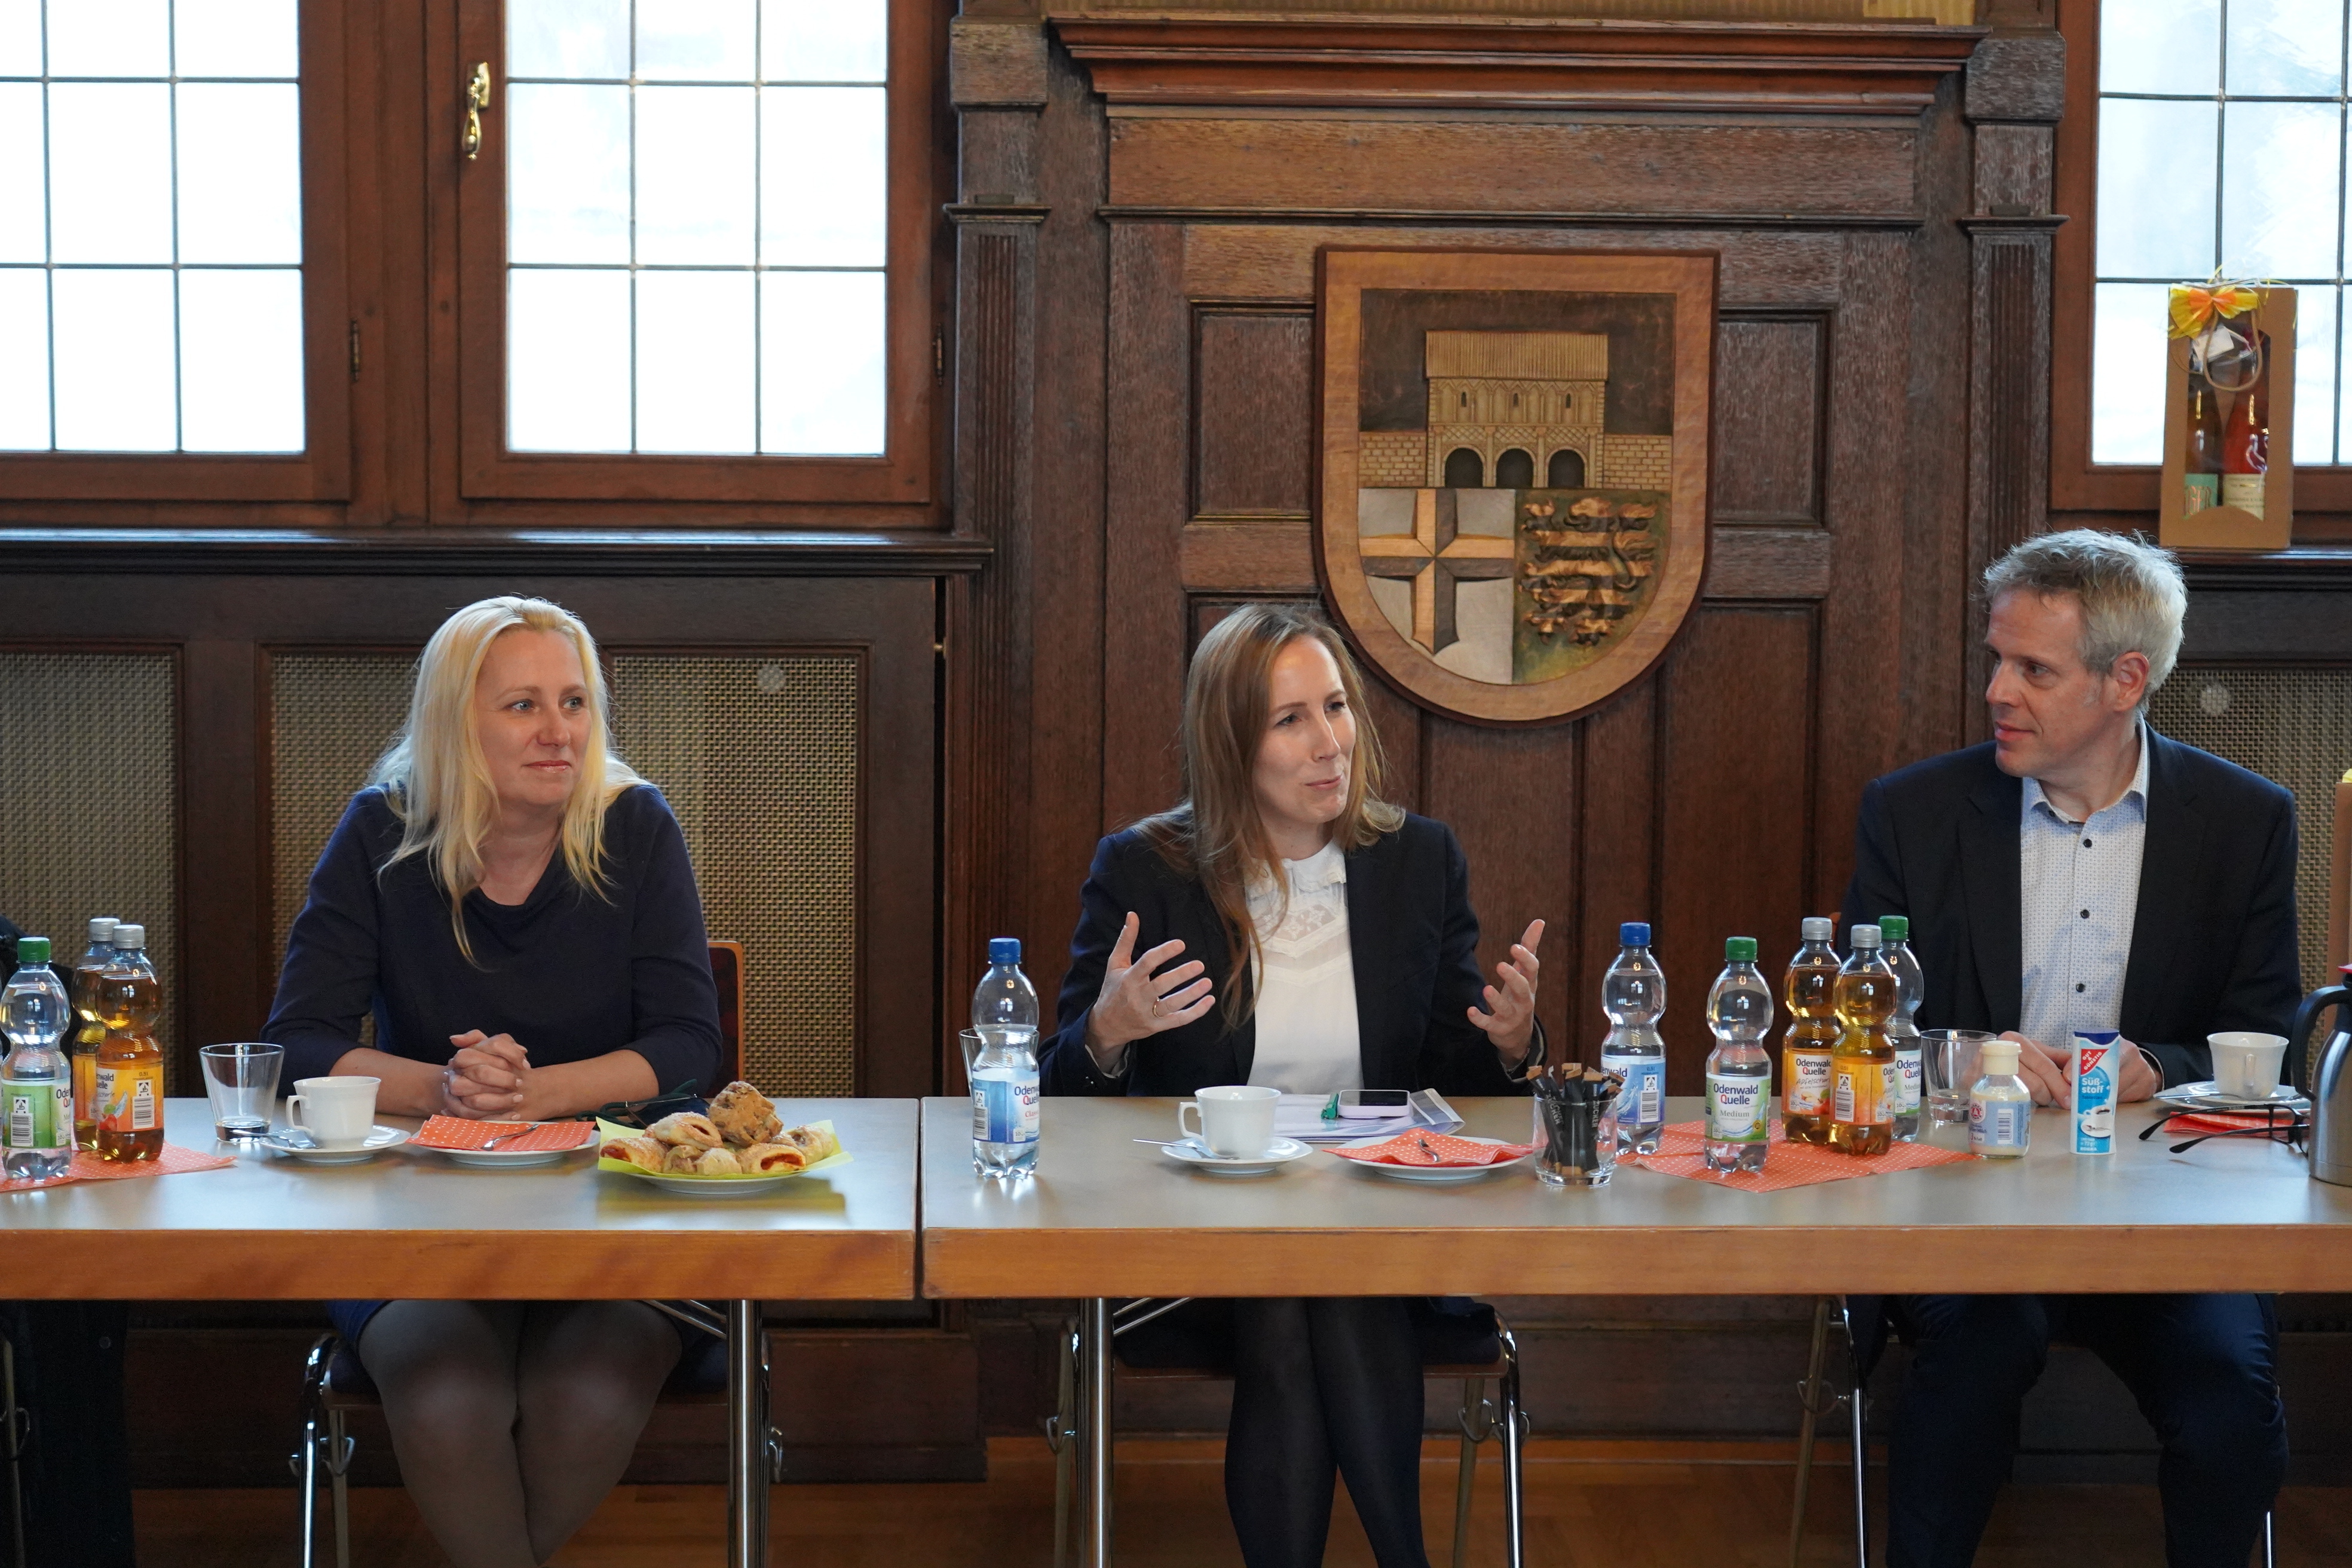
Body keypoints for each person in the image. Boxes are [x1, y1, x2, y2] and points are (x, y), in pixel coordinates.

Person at [1044, 603, 1547, 1568]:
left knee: (1324, 1274)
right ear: (1231, 747)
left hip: (1382, 1226)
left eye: (1338, 707)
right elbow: (1055, 1092)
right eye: (1291, 721)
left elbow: (1458, 1072)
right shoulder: (1147, 873)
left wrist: (1514, 1042)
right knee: (1291, 1283)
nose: (1331, 744)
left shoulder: (1416, 862)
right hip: (1196, 1238)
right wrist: (1108, 1030)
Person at [1841, 530, 2296, 1567]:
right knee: (1975, 1355)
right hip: (1965, 1203)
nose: (1998, 688)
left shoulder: (2244, 821)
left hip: (2171, 1214)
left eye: (2033, 669)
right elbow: (1862, 1036)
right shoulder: (1911, 814)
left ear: (2125, 680)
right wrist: (1971, 1056)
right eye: (1996, 658)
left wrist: (2165, 1067)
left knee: (2229, 1388)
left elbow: (2266, 1037)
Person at [265, 596, 722, 1568]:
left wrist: (533, 1094)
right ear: (454, 724)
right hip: (420, 1212)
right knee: (446, 1391)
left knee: (587, 1391)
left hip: (614, 1207)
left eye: (575, 702)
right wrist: (446, 1089)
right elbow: (300, 1041)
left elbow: (688, 1045)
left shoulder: (634, 826)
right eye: (522, 706)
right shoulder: (379, 833)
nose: (559, 731)